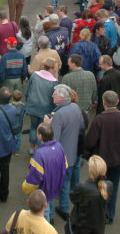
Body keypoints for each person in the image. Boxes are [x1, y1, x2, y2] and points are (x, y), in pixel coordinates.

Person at [84, 90, 120, 224]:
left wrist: (88, 155)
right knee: (114, 186)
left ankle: (98, 213)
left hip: (101, 161)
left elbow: (90, 141)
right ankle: (109, 214)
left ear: (104, 102)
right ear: (118, 102)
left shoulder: (99, 119)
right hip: (118, 160)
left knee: (98, 186)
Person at [44, 84, 85, 221]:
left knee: (55, 186)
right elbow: (80, 128)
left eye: (54, 95)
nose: (52, 96)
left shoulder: (60, 114)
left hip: (61, 158)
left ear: (61, 98)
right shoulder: (75, 107)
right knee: (66, 184)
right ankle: (65, 208)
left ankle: (53, 215)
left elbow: (53, 140)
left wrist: (48, 123)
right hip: (72, 154)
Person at [22, 123, 67, 224]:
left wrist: (25, 187)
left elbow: (34, 179)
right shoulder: (59, 146)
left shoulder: (39, 154)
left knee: (43, 215)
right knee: (50, 203)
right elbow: (65, 166)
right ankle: (51, 218)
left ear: (40, 136)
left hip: (44, 191)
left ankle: (47, 223)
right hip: (55, 185)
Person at [70, 155, 113, 234]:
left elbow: (73, 198)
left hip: (84, 226)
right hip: (100, 225)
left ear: (90, 170)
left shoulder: (82, 188)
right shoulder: (109, 186)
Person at [26, 58, 58, 155]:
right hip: (45, 109)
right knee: (43, 130)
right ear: (51, 68)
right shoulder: (54, 81)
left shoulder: (34, 75)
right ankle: (41, 149)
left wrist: (27, 101)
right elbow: (54, 98)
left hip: (33, 106)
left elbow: (27, 90)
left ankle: (31, 148)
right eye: (56, 67)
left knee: (33, 127)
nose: (57, 69)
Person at [11, 90, 25, 156]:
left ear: (12, 97)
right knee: (18, 139)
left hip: (11, 126)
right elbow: (24, 115)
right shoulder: (22, 106)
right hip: (19, 125)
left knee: (11, 138)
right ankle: (17, 151)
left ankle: (11, 149)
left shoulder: (10, 106)